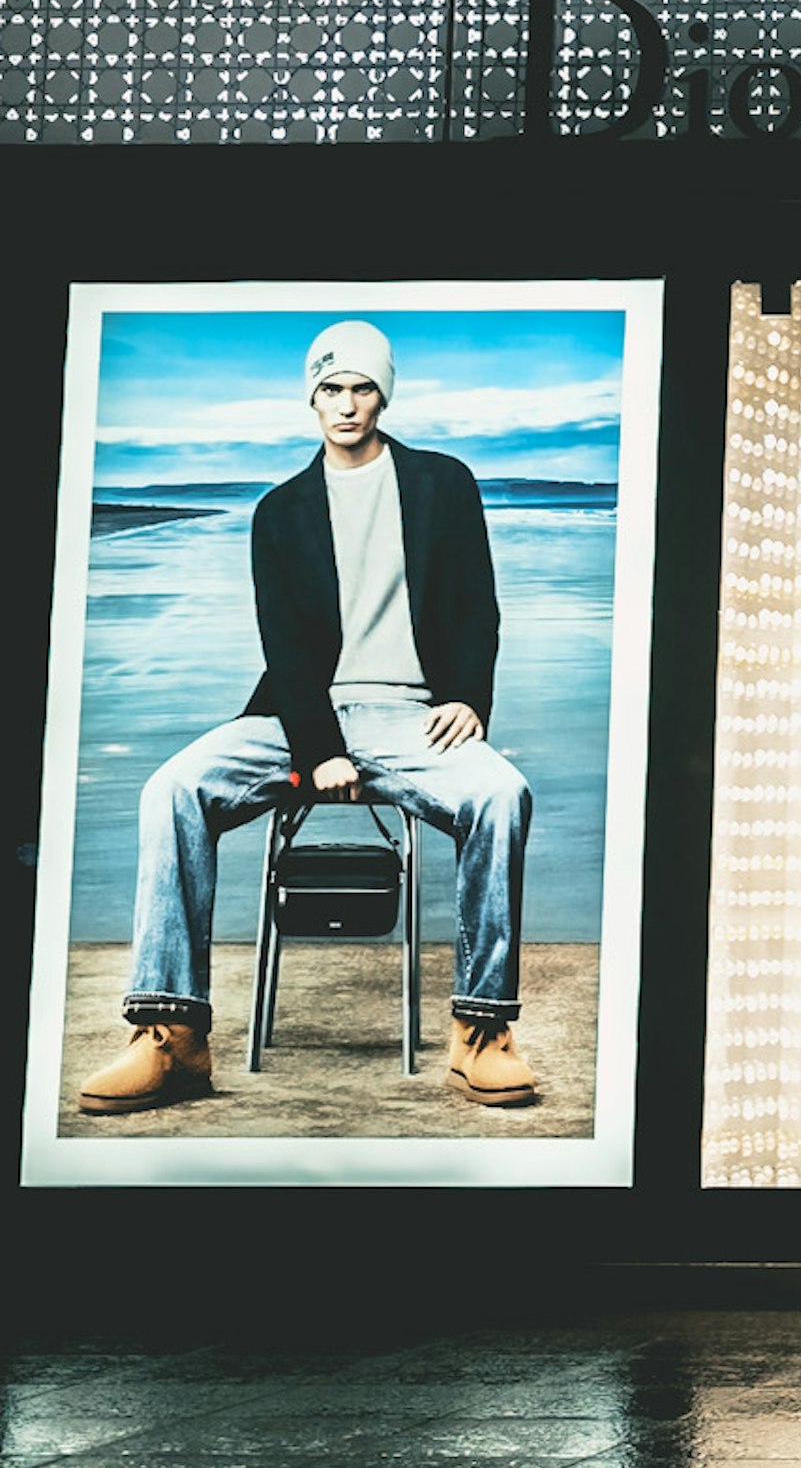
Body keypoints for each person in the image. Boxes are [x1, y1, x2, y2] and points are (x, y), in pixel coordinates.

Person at [75, 321, 540, 1113]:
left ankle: (482, 1030)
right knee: (171, 789)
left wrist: (469, 697)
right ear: (311, 397)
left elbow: (476, 609)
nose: (347, 403)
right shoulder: (279, 511)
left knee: (502, 794)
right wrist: (320, 749)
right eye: (331, 388)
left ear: (383, 394)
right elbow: (287, 651)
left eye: (362, 386)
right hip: (299, 713)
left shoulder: (443, 483)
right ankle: (170, 1035)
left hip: (411, 716)